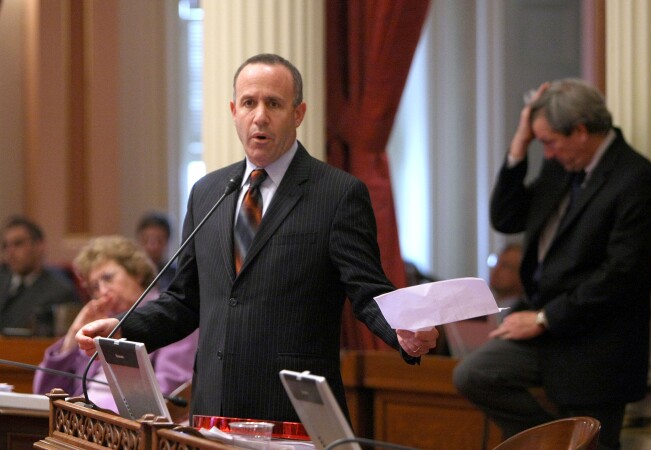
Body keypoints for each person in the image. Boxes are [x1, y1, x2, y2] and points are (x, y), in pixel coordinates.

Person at [76, 53, 438, 423]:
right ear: (234, 111)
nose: (259, 116)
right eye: (249, 103)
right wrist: (124, 327)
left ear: (298, 114)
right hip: (213, 407)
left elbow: (367, 290)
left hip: (290, 410)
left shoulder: (337, 194)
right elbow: (185, 301)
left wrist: (402, 331)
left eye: (274, 104)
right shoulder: (208, 191)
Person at [453, 79, 651, 450]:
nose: (547, 154)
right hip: (546, 330)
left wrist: (542, 319)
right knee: (475, 373)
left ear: (581, 131)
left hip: (596, 344)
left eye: (549, 142)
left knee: (593, 443)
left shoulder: (636, 180)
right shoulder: (562, 168)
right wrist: (520, 143)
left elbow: (621, 277)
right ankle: (551, 442)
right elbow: (507, 217)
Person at [33, 235, 198, 413]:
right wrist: (73, 335)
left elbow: (168, 396)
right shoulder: (102, 323)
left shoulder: (171, 316)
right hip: (81, 422)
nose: (103, 291)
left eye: (108, 278)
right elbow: (44, 393)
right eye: (94, 287)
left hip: (125, 428)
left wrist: (93, 412)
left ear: (137, 272)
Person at [0, 215, 80, 335]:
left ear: (39, 246)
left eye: (18, 244)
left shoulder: (60, 291)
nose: (10, 252)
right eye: (5, 246)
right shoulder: (3, 280)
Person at [136, 211, 176, 291]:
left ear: (167, 241)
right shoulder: (130, 274)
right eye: (146, 240)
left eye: (159, 240)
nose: (152, 247)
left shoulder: (177, 275)